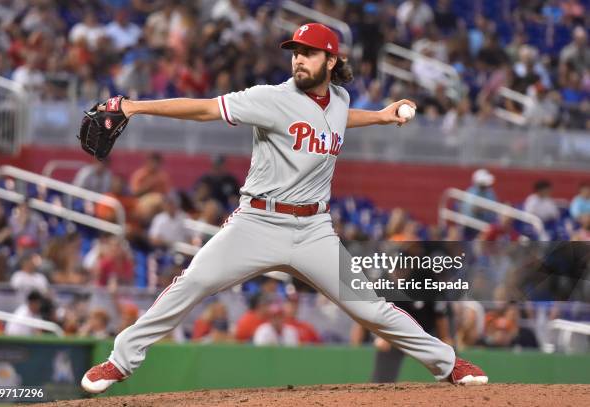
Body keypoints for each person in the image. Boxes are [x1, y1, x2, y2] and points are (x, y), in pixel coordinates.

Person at [81, 22, 487, 393]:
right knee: (192, 283)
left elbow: (341, 117)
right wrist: (134, 107)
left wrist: (381, 117)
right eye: (294, 51)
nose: (298, 58)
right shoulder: (270, 99)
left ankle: (449, 364)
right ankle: (120, 361)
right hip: (258, 221)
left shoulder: (340, 99)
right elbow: (204, 108)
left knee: (373, 309)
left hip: (314, 230)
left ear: (330, 60)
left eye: (308, 52)